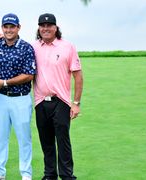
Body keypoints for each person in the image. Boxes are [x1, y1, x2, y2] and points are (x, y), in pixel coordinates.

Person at [33, 13, 83, 180]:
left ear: (56, 28)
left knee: (63, 141)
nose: (46, 28)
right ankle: (50, 175)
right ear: (39, 28)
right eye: (42, 26)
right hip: (40, 102)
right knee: (46, 142)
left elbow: (78, 76)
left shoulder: (67, 47)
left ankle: (67, 175)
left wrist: (76, 103)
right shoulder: (33, 47)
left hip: (61, 101)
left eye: (49, 25)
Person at [0, 13, 36, 180]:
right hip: (0, 98)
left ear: (18, 28)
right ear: (2, 28)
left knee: (24, 138)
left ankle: (26, 174)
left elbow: (29, 75)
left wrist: (5, 82)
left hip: (21, 98)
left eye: (12, 27)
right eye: (6, 27)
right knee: (0, 136)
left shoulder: (26, 47)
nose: (8, 30)